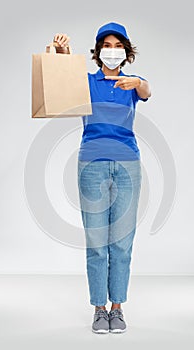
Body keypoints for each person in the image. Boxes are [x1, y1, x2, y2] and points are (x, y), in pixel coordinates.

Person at [53, 22, 151, 334]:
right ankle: (98, 308)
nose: (112, 50)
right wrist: (63, 53)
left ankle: (118, 308)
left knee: (121, 243)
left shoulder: (132, 84)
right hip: (91, 166)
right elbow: (63, 83)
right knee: (97, 242)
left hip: (128, 167)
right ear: (98, 51)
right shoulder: (87, 82)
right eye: (106, 45)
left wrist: (136, 81)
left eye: (117, 45)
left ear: (125, 51)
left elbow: (147, 90)